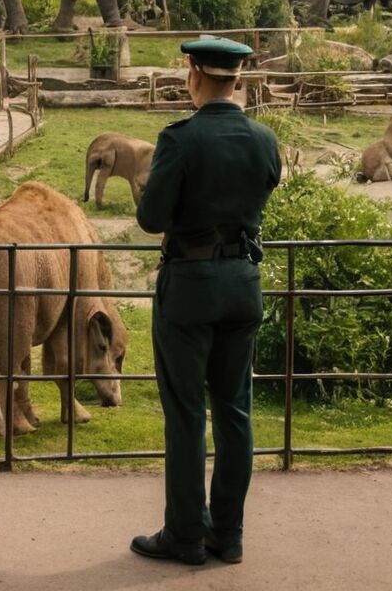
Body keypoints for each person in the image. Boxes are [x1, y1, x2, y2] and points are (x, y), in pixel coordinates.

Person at [130, 37, 281, 567]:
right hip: (243, 282)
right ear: (237, 78)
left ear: (191, 72)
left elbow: (151, 219)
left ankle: (186, 535)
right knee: (235, 411)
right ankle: (229, 535)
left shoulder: (180, 139)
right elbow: (263, 191)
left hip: (190, 286)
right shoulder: (264, 139)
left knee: (187, 413)